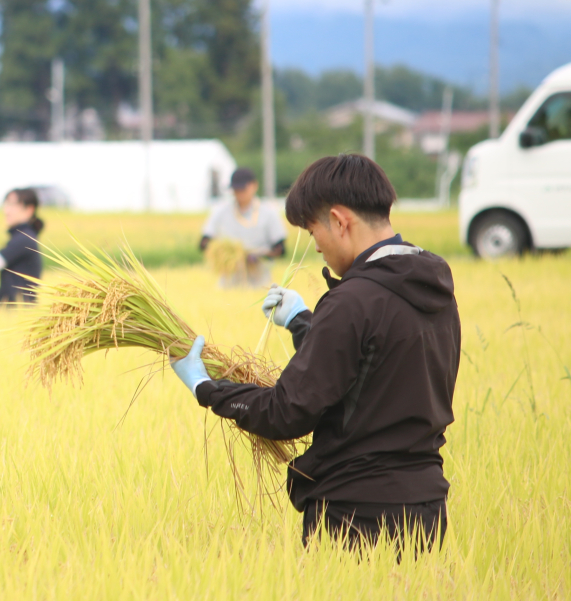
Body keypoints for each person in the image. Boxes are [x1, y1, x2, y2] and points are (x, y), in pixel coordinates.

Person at [171, 154, 461, 552]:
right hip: (426, 508)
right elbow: (370, 371)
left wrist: (206, 388)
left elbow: (286, 412)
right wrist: (304, 323)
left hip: (355, 515)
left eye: (312, 231)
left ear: (340, 221)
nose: (315, 247)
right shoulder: (433, 285)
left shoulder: (352, 301)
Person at [199, 166, 287, 287]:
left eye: (242, 189)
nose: (239, 193)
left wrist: (259, 255)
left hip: (260, 282)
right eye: (236, 190)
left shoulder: (269, 212)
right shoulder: (220, 211)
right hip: (228, 282)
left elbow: (281, 249)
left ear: (254, 186)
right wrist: (222, 252)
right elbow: (204, 242)